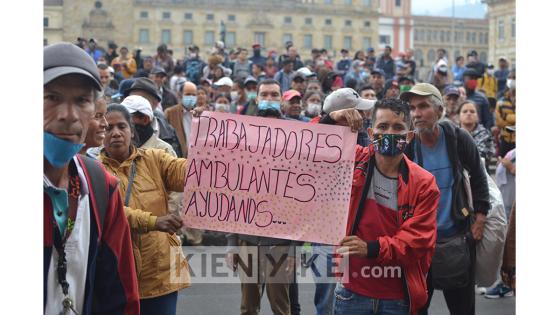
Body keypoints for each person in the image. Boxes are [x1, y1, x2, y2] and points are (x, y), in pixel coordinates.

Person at [319, 96, 439, 315]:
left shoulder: (424, 183)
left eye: (398, 127)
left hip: (398, 298)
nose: (390, 133)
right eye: (383, 126)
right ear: (371, 133)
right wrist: (329, 120)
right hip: (351, 293)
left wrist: (370, 248)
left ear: (409, 137)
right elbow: (306, 150)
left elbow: (418, 241)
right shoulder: (353, 162)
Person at [43, 42, 139, 314]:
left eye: (82, 101)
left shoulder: (101, 185)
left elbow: (119, 293)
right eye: (52, 97)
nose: (69, 115)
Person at [400, 83, 490, 315]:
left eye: (423, 106)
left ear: (439, 111)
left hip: (457, 241)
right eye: (412, 108)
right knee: (416, 309)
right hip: (419, 246)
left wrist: (479, 219)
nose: (416, 114)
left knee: (462, 309)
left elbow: (480, 178)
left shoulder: (458, 138)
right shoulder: (407, 145)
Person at [99, 104, 189, 315]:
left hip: (160, 274)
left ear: (132, 131)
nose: (116, 133)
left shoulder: (155, 159)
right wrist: (155, 222)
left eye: (122, 126)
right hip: (115, 276)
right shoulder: (93, 170)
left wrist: (207, 143)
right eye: (108, 128)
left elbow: (187, 173)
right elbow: (112, 212)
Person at [226, 79, 298, 315]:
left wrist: (294, 249)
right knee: (248, 307)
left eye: (274, 94)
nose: (269, 97)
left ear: (281, 99)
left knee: (281, 306)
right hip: (248, 239)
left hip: (281, 241)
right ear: (256, 99)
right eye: (264, 94)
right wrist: (231, 244)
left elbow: (304, 201)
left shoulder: (298, 135)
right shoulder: (240, 135)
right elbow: (231, 192)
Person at [127, 77, 183, 157]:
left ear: (155, 104)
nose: (136, 103)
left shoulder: (168, 133)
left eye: (142, 99)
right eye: (132, 99)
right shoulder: (118, 131)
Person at [458, 101, 496, 171]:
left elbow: (481, 157)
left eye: (472, 111)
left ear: (478, 116)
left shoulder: (485, 135)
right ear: (459, 116)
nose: (468, 114)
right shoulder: (452, 133)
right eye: (465, 111)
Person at [494, 81, 516, 157]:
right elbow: (499, 122)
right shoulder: (501, 102)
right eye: (512, 90)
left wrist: (506, 117)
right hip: (504, 138)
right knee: (502, 161)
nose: (513, 92)